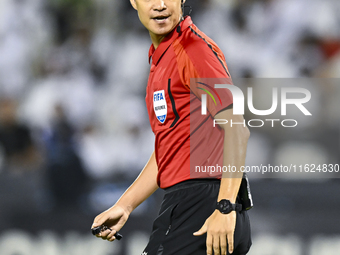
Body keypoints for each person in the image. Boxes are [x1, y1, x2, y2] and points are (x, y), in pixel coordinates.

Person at [91, 1, 253, 254]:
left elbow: (236, 129)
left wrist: (225, 206)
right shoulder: (162, 58)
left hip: (204, 203)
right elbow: (170, 149)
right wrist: (125, 205)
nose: (160, 5)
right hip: (193, 201)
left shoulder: (192, 49)